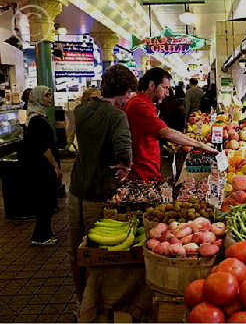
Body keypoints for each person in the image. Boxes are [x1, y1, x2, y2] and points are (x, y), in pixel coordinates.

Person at [68, 64, 136, 304]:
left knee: (77, 248)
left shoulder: (82, 110)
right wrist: (124, 166)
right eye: (129, 92)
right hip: (100, 191)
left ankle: (79, 301)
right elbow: (123, 148)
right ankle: (94, 304)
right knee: (97, 252)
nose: (129, 98)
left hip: (76, 189)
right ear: (124, 91)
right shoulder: (117, 115)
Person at [124, 67, 217, 182]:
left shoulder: (145, 103)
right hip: (142, 172)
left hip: (148, 168)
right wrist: (200, 145)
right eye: (164, 88)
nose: (167, 93)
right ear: (152, 85)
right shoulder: (139, 105)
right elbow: (165, 132)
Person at [17, 86, 60, 246]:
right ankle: (40, 236)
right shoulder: (37, 120)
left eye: (50, 95)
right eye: (46, 95)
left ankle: (45, 232)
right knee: (45, 200)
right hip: (42, 166)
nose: (49, 98)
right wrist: (55, 165)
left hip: (41, 165)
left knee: (46, 200)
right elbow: (44, 147)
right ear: (37, 98)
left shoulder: (37, 117)